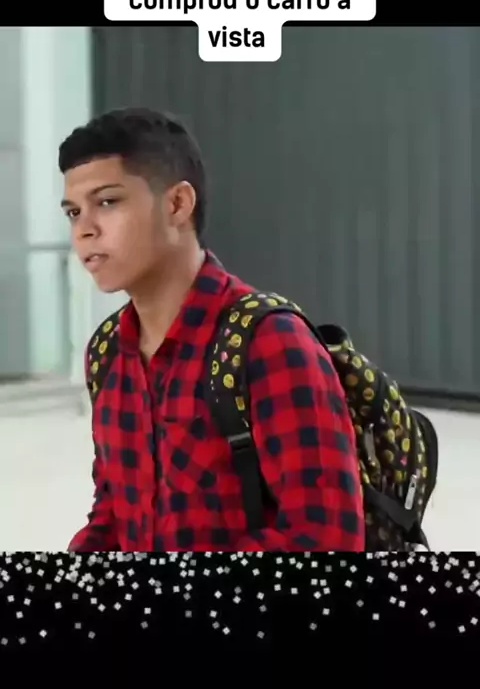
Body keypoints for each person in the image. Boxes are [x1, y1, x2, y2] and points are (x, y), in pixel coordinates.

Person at [59, 107, 365, 551]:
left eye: (107, 202)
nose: (84, 230)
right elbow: (112, 513)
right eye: (73, 212)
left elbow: (326, 539)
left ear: (177, 204)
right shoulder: (107, 352)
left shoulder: (269, 342)